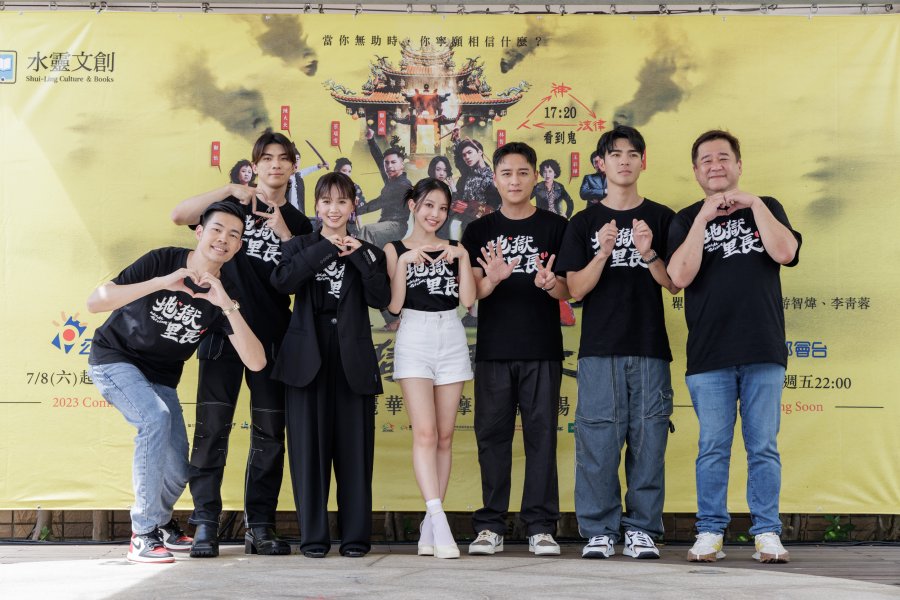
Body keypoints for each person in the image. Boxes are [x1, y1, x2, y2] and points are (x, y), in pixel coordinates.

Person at [86, 201, 266, 564]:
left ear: (238, 246)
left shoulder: (225, 292)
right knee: (155, 418)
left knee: (179, 468)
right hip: (115, 359)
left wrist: (225, 304)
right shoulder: (163, 260)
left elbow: (256, 361)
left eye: (233, 235)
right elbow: (96, 302)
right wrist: (161, 283)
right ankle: (143, 534)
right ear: (200, 233)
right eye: (216, 230)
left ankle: (161, 521)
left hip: (161, 378)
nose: (223, 239)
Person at [171, 130, 312, 558]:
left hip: (273, 340)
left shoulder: (300, 223)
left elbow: (302, 280)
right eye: (266, 158)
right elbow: (180, 215)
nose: (275, 165)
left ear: (293, 166)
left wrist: (284, 232)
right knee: (211, 430)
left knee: (270, 435)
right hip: (220, 334)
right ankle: (205, 524)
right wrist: (230, 189)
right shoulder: (234, 208)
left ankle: (261, 525)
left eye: (283, 158)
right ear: (255, 165)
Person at [667, 130, 801, 564]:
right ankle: (710, 532)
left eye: (723, 158)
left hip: (763, 348)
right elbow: (679, 277)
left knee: (763, 447)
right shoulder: (686, 218)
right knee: (713, 448)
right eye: (706, 160)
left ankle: (766, 532)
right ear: (696, 171)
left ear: (739, 165)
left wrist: (755, 204)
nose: (715, 165)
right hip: (709, 354)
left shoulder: (767, 206)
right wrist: (704, 219)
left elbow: (785, 252)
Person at [556, 125, 679, 560]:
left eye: (632, 154)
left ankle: (642, 528)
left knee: (649, 440)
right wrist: (603, 251)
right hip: (599, 349)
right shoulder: (584, 222)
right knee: (598, 441)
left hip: (649, 345)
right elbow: (575, 289)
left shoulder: (662, 217)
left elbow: (674, 283)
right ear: (600, 163)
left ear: (643, 161)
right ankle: (599, 530)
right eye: (615, 154)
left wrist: (648, 252)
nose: (624, 161)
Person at [270, 172, 391, 558]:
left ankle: (355, 538)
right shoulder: (299, 246)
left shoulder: (368, 251)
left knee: (355, 453)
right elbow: (284, 282)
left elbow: (382, 298)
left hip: (353, 360)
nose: (334, 209)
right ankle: (314, 539)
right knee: (308, 453)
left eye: (342, 201)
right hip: (306, 359)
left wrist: (356, 255)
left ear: (353, 206)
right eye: (326, 201)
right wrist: (325, 247)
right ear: (316, 206)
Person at [461, 142, 570, 557]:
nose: (515, 180)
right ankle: (490, 525)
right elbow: (471, 294)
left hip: (542, 348)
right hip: (494, 350)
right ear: (495, 178)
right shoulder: (479, 231)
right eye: (506, 173)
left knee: (542, 437)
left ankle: (540, 526)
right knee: (492, 438)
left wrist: (550, 284)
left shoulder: (556, 227)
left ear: (535, 177)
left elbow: (569, 288)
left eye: (523, 172)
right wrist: (493, 278)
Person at [383, 178, 476, 560]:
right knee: (425, 432)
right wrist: (405, 263)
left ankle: (429, 527)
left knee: (445, 436)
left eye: (442, 208)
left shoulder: (455, 249)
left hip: (451, 334)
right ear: (413, 205)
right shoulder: (395, 249)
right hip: (414, 335)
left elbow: (468, 301)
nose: (435, 214)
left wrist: (464, 258)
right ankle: (439, 520)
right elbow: (393, 307)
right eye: (428, 206)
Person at [357, 128, 413, 249]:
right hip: (385, 224)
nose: (389, 166)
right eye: (387, 163)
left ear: (402, 165)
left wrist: (353, 211)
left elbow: (378, 203)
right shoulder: (391, 180)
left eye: (393, 162)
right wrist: (371, 140)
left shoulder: (403, 185)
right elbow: (379, 160)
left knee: (367, 231)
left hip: (396, 226)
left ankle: (357, 260)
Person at [286, 147, 328, 215]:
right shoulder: (282, 177)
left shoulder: (298, 175)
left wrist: (321, 165)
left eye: (297, 159)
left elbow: (308, 170)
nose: (296, 162)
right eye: (292, 159)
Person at [334, 157, 365, 237]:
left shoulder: (355, 188)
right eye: (344, 171)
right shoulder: (329, 187)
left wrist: (361, 230)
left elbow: (358, 211)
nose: (347, 174)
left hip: (350, 227)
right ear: (337, 171)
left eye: (349, 171)